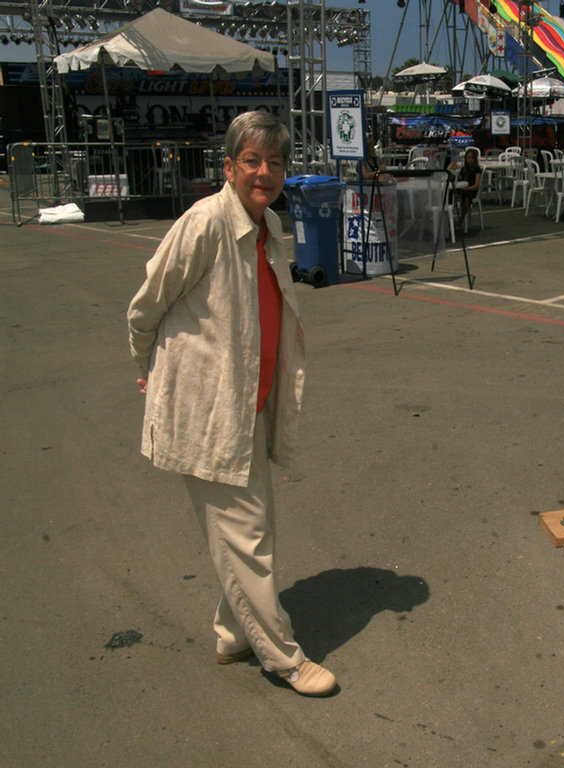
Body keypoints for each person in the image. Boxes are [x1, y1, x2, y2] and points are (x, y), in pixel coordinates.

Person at [126, 111, 337, 697]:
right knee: (245, 534)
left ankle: (231, 632)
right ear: (229, 166)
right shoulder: (206, 223)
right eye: (252, 160)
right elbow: (147, 303)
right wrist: (147, 367)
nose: (263, 172)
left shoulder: (267, 224)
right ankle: (284, 658)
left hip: (250, 404)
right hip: (209, 410)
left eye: (274, 162)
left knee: (251, 527)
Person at [449, 147, 483, 230]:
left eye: (472, 158)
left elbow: (476, 185)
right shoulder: (464, 169)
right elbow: (459, 177)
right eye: (468, 158)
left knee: (467, 197)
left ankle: (462, 218)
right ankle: (448, 217)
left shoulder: (477, 169)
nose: (470, 160)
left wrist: (466, 189)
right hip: (462, 188)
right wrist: (452, 168)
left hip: (471, 190)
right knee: (449, 193)